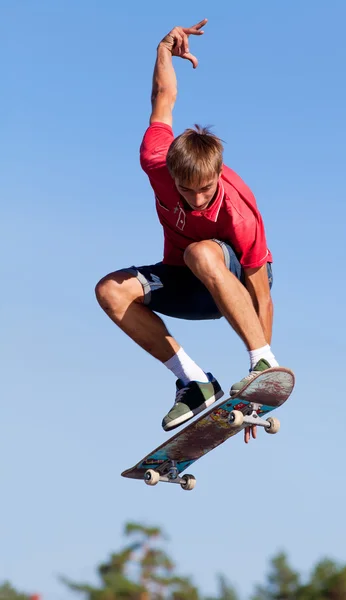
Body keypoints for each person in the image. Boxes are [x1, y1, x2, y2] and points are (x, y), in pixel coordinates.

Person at [95, 19, 280, 443]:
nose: (196, 201)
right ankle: (195, 383)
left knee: (202, 251)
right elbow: (163, 100)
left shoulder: (239, 208)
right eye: (185, 190)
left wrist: (259, 388)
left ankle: (262, 362)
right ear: (171, 174)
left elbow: (263, 298)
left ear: (217, 175)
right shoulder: (156, 160)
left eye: (205, 191)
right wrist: (163, 49)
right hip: (192, 281)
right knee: (110, 290)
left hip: (238, 280)